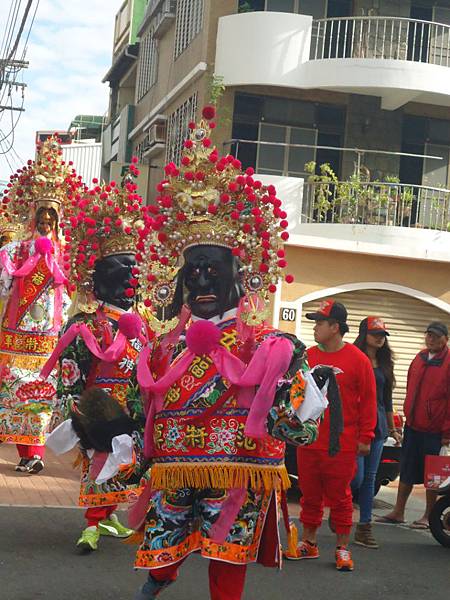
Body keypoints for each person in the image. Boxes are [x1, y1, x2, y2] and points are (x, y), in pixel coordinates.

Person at [130, 105, 327, 600]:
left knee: (225, 556)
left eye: (212, 270)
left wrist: (302, 398)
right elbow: (144, 410)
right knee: (166, 543)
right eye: (191, 272)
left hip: (237, 466)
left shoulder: (270, 347)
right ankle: (160, 578)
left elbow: (296, 426)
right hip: (174, 465)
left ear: (240, 276)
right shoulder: (161, 346)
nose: (200, 282)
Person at [44, 164, 149, 552]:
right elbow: (71, 374)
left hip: (132, 405)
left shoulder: (146, 324)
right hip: (98, 405)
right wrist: (76, 415)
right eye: (121, 269)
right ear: (97, 279)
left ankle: (108, 518)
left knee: (122, 465)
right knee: (100, 459)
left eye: (134, 269)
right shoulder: (86, 325)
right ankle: (92, 523)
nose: (130, 277)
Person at [0, 136, 79, 473]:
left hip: (47, 335)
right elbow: (4, 284)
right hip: (16, 334)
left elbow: (73, 290)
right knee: (14, 390)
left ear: (59, 217)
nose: (46, 218)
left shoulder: (67, 253)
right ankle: (24, 450)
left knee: (40, 392)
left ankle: (34, 454)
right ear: (31, 213)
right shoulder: (15, 250)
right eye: (41, 212)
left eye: (52, 213)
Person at [286, 299, 377, 571]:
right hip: (309, 440)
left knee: (340, 496)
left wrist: (366, 437)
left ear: (335, 327)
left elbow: (370, 401)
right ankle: (309, 543)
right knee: (309, 493)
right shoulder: (308, 357)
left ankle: (342, 548)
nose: (315, 328)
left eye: (320, 323)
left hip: (342, 443)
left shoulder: (358, 360)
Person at [377, 321, 450, 529]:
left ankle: (428, 516)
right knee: (407, 469)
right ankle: (398, 511)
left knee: (433, 476)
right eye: (429, 335)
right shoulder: (419, 358)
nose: (432, 339)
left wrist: (447, 432)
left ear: (445, 339)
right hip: (414, 425)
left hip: (436, 430)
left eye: (436, 336)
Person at [352, 317, 400, 548]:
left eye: (383, 335)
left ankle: (364, 527)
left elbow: (387, 400)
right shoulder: (352, 357)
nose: (380, 338)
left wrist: (393, 428)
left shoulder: (384, 363)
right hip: (354, 425)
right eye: (375, 334)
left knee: (370, 478)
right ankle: (341, 509)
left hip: (378, 426)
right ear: (364, 334)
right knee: (355, 478)